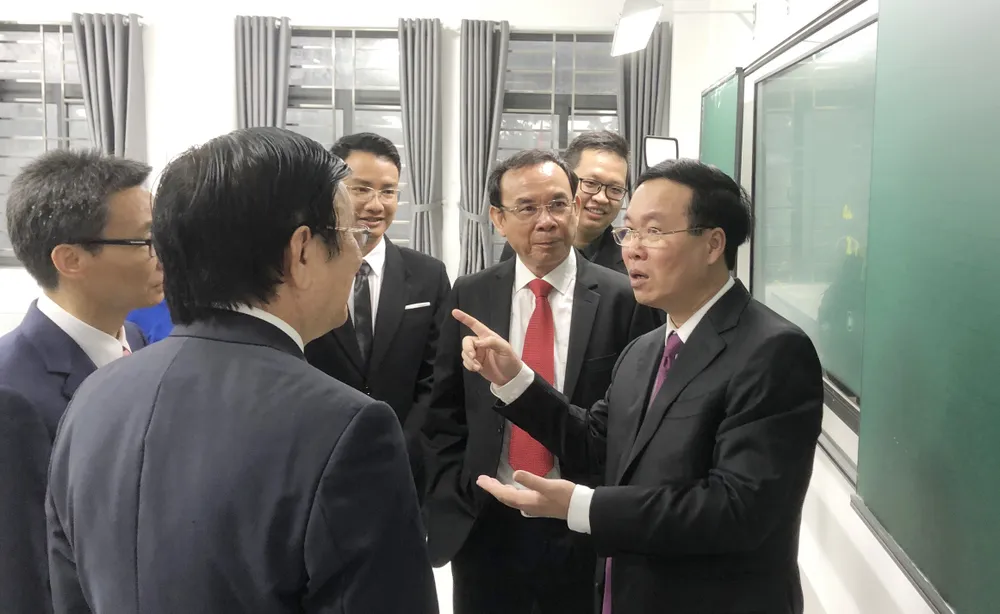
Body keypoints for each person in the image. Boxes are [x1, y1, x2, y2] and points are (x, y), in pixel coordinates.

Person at [45, 128, 438, 613]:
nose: (359, 256)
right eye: (349, 235)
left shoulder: (93, 395)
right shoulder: (348, 427)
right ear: (301, 251)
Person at [457, 159, 824, 614]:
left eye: (653, 232)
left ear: (713, 244)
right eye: (629, 231)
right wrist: (515, 381)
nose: (632, 249)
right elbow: (596, 442)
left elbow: (738, 509)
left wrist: (584, 506)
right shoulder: (645, 349)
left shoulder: (773, 351)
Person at [422, 149, 657, 613]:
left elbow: (635, 424)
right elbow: (442, 409)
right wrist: (453, 491)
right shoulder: (471, 293)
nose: (546, 221)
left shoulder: (624, 299)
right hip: (486, 520)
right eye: (527, 208)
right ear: (498, 218)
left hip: (581, 520)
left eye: (558, 204)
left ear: (575, 206)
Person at [0, 149, 161, 614]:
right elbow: (25, 575)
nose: (163, 256)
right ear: (70, 259)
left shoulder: (135, 341)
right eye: (145, 241)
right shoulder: (12, 393)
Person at [305, 133, 450, 499]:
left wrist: (402, 443)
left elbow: (436, 375)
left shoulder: (428, 275)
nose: (376, 204)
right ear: (332, 192)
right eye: (361, 189)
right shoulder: (304, 270)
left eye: (388, 191)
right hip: (318, 460)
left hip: (404, 465)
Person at [500, 130, 630, 275]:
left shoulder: (631, 259)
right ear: (565, 181)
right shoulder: (524, 244)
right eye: (590, 183)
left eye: (615, 189)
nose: (601, 198)